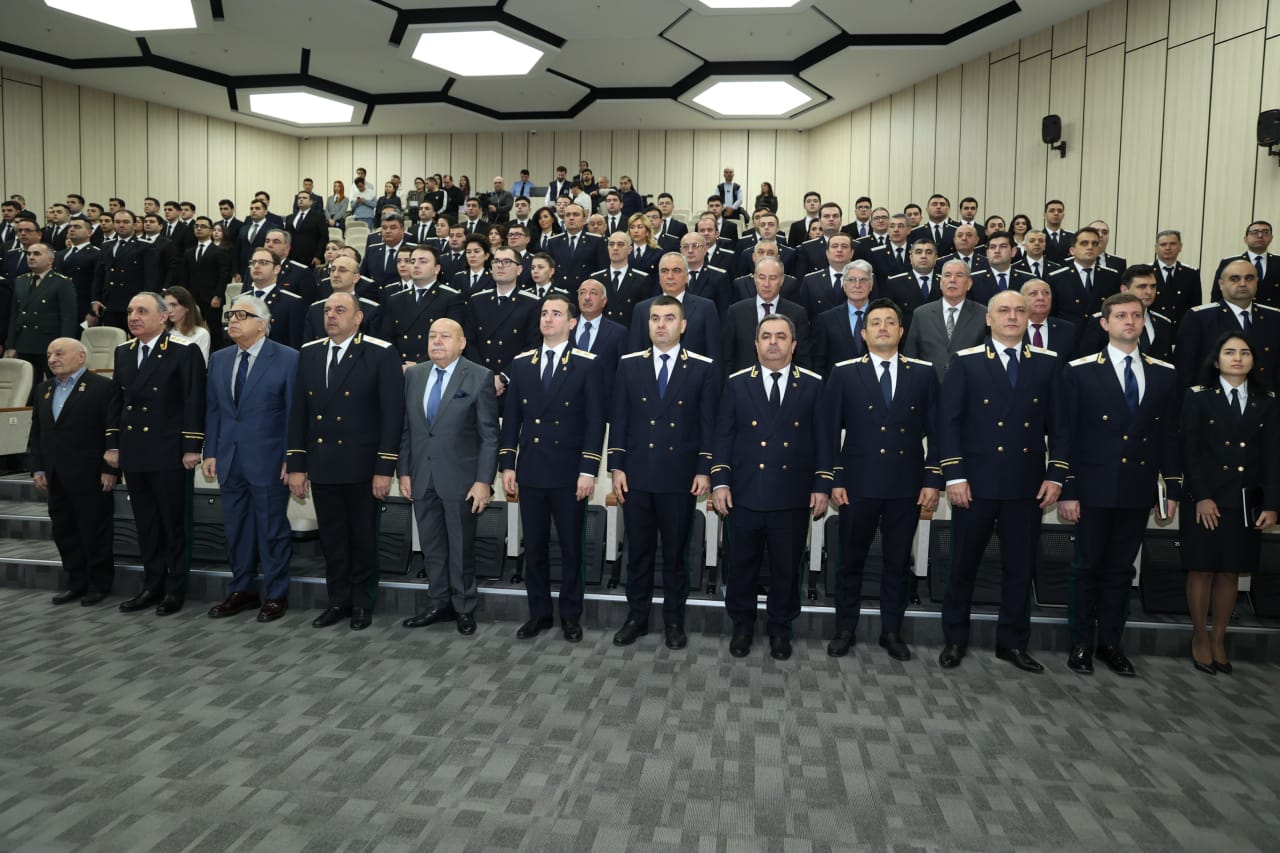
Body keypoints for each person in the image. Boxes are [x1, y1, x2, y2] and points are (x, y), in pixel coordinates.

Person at [938, 290, 1069, 674]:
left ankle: (1012, 643)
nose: (1012, 316)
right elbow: (948, 422)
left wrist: (1056, 474)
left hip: (1026, 485)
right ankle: (955, 639)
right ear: (989, 319)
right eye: (1004, 310)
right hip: (974, 485)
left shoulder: (1047, 363)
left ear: (1029, 318)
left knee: (1020, 568)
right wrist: (954, 475)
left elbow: (1060, 426)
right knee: (963, 566)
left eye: (1019, 311)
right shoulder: (966, 361)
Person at [1058, 292, 1182, 677]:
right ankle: (1081, 643)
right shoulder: (1079, 370)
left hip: (1136, 486)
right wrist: (1068, 489)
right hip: (1092, 487)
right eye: (1121, 316)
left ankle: (1111, 643)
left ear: (1144, 322)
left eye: (1136, 316)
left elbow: (1169, 435)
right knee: (1087, 567)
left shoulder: (1165, 373)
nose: (1130, 321)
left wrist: (1172, 487)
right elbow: (1066, 435)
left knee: (1121, 570)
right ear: (1104, 323)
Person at [825, 299, 940, 661]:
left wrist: (932, 479)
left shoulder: (923, 373)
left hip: (906, 485)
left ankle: (892, 631)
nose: (883, 328)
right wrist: (835, 478)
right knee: (850, 561)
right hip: (856, 484)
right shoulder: (844, 373)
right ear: (864, 333)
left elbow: (938, 431)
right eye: (875, 323)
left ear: (902, 331)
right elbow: (828, 431)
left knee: (897, 562)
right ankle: (845, 628)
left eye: (890, 322)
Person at [712, 314, 831, 661]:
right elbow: (724, 436)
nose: (773, 343)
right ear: (756, 344)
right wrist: (720, 481)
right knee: (741, 565)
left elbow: (824, 439)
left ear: (793, 345)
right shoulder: (736, 383)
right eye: (766, 336)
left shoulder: (812, 384)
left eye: (781, 336)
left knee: (786, 567)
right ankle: (743, 626)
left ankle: (781, 628)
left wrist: (822, 484)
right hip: (745, 493)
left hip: (791, 493)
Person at [287, 292, 405, 631]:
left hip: (362, 465)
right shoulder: (310, 352)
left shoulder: (380, 352)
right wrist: (297, 465)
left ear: (358, 318)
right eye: (327, 310)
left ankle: (362, 603)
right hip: (323, 463)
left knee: (362, 538)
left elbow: (392, 416)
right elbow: (299, 413)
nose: (331, 316)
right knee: (333, 539)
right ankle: (338, 600)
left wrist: (384, 468)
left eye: (340, 310)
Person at [609, 295, 717, 650]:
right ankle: (636, 617)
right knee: (638, 552)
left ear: (682, 326)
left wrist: (704, 469)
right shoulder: (629, 365)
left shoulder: (701, 367)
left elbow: (708, 424)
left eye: (669, 318)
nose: (661, 324)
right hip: (637, 475)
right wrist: (616, 467)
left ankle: (673, 621)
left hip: (679, 477)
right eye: (655, 318)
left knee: (675, 556)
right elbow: (620, 418)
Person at [499, 293, 605, 643]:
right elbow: (511, 418)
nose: (548, 318)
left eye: (556, 314)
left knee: (572, 548)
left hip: (569, 473)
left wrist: (588, 470)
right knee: (535, 547)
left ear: (572, 323)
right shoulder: (521, 364)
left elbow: (594, 422)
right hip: (531, 469)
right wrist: (507, 464)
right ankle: (539, 613)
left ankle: (571, 615)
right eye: (545, 313)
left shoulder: (587, 364)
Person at [1180, 332, 1279, 674]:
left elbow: (1273, 455)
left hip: (1243, 500)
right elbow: (1189, 451)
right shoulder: (1198, 396)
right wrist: (1202, 496)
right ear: (1216, 359)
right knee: (1202, 568)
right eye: (1229, 352)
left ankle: (1219, 638)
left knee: (1229, 570)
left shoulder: (1267, 401)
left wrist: (1272, 503)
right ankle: (1200, 636)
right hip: (1205, 498)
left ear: (1254, 360)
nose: (1237, 358)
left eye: (1245, 352)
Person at [399, 318, 499, 635]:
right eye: (432, 336)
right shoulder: (414, 375)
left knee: (460, 549)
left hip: (461, 480)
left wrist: (483, 481)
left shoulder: (479, 376)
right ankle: (438, 603)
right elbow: (407, 428)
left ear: (462, 343)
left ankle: (464, 607)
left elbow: (489, 436)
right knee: (432, 547)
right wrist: (404, 471)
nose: (437, 341)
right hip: (421, 476)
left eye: (445, 336)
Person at [109, 292, 206, 616]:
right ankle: (152, 585)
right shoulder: (123, 352)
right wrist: (112, 444)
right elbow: (116, 402)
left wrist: (192, 447)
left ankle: (175, 589)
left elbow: (194, 401)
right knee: (146, 524)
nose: (133, 317)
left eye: (142, 311)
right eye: (130, 311)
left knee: (172, 525)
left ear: (163, 317)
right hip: (135, 450)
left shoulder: (183, 351)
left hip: (168, 452)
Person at [202, 295, 298, 623]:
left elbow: (293, 414)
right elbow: (214, 410)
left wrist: (291, 458)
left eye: (241, 315)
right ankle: (241, 589)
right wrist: (211, 451)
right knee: (237, 529)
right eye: (230, 314)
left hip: (269, 460)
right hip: (229, 459)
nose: (232, 320)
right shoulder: (219, 359)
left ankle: (275, 594)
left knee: (271, 529)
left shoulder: (287, 358)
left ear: (262, 324)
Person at [29, 337, 120, 607]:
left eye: (59, 353)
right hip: (55, 474)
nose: (52, 359)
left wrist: (110, 469)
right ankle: (76, 582)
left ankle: (99, 583)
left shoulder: (102, 387)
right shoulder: (43, 389)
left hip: (91, 474)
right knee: (64, 530)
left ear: (81, 357)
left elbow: (112, 432)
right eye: (49, 354)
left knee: (95, 530)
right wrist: (37, 467)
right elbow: (37, 432)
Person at [1176, 259, 1280, 388]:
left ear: (1257, 282)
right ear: (1221, 284)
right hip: (1213, 396)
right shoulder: (1199, 317)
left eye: (1249, 278)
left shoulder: (1274, 317)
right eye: (1235, 279)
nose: (1243, 283)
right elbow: (1185, 370)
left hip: (1264, 396)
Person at [380, 245, 467, 368]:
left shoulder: (451, 297)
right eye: (412, 261)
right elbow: (386, 337)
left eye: (423, 261)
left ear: (437, 269)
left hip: (433, 365)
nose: (416, 265)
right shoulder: (395, 299)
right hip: (399, 366)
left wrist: (419, 365)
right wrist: (398, 364)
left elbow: (451, 338)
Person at [904, 259, 989, 382]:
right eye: (947, 275)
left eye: (959, 275)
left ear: (969, 283)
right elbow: (911, 356)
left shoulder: (983, 314)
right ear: (941, 282)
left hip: (970, 385)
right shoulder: (921, 314)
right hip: (929, 386)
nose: (952, 280)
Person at [628, 252, 722, 364]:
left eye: (676, 270)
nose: (670, 276)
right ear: (659, 277)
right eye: (664, 271)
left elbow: (714, 355)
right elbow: (634, 357)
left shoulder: (706, 308)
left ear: (687, 277)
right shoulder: (642, 309)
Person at [723, 256, 810, 374]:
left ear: (782, 280)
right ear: (754, 279)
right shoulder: (736, 312)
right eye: (762, 277)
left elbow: (803, 358)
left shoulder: (797, 313)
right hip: (743, 382)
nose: (766, 284)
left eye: (773, 278)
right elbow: (727, 357)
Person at [6, 242, 77, 382]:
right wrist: (11, 345)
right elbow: (14, 315)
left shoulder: (61, 282)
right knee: (27, 385)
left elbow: (68, 318)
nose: (31, 257)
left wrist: (64, 347)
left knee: (55, 383)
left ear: (50, 260)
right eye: (29, 254)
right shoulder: (20, 281)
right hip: (24, 343)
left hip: (49, 344)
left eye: (37, 254)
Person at [91, 209, 161, 330]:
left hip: (133, 301)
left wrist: (146, 302)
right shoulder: (106, 245)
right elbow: (99, 275)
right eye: (117, 222)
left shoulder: (145, 246)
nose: (121, 225)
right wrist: (96, 299)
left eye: (126, 222)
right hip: (109, 301)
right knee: (112, 335)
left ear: (134, 224)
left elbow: (151, 278)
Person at [1046, 227, 1121, 326]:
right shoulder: (1056, 278)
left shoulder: (1111, 277)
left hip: (1100, 333)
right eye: (1084, 243)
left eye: (1094, 244)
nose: (1090, 247)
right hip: (1069, 333)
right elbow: (1051, 315)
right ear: (1072, 250)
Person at [180, 216, 231, 350]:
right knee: (192, 328)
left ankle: (216, 354)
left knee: (214, 330)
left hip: (212, 298)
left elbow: (223, 276)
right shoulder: (189, 252)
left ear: (211, 230)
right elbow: (185, 276)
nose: (199, 229)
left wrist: (218, 295)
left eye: (203, 226)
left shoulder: (219, 251)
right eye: (196, 226)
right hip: (193, 298)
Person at [1211, 221, 1278, 308]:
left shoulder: (1278, 261)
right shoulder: (1229, 262)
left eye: (1265, 232)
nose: (1260, 235)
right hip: (1237, 313)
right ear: (1245, 239)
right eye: (1255, 232)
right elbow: (1217, 294)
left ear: (1271, 238)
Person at [1151, 229, 1201, 327]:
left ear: (1180, 247)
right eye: (1163, 244)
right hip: (1154, 327)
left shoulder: (1191, 274)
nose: (1168, 248)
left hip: (1181, 328)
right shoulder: (1146, 272)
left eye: (1173, 244)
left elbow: (1195, 307)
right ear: (1156, 248)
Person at [162, 286, 211, 363]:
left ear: (187, 307)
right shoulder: (163, 332)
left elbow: (201, 365)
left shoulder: (201, 334)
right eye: (166, 306)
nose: (169, 310)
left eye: (174, 305)